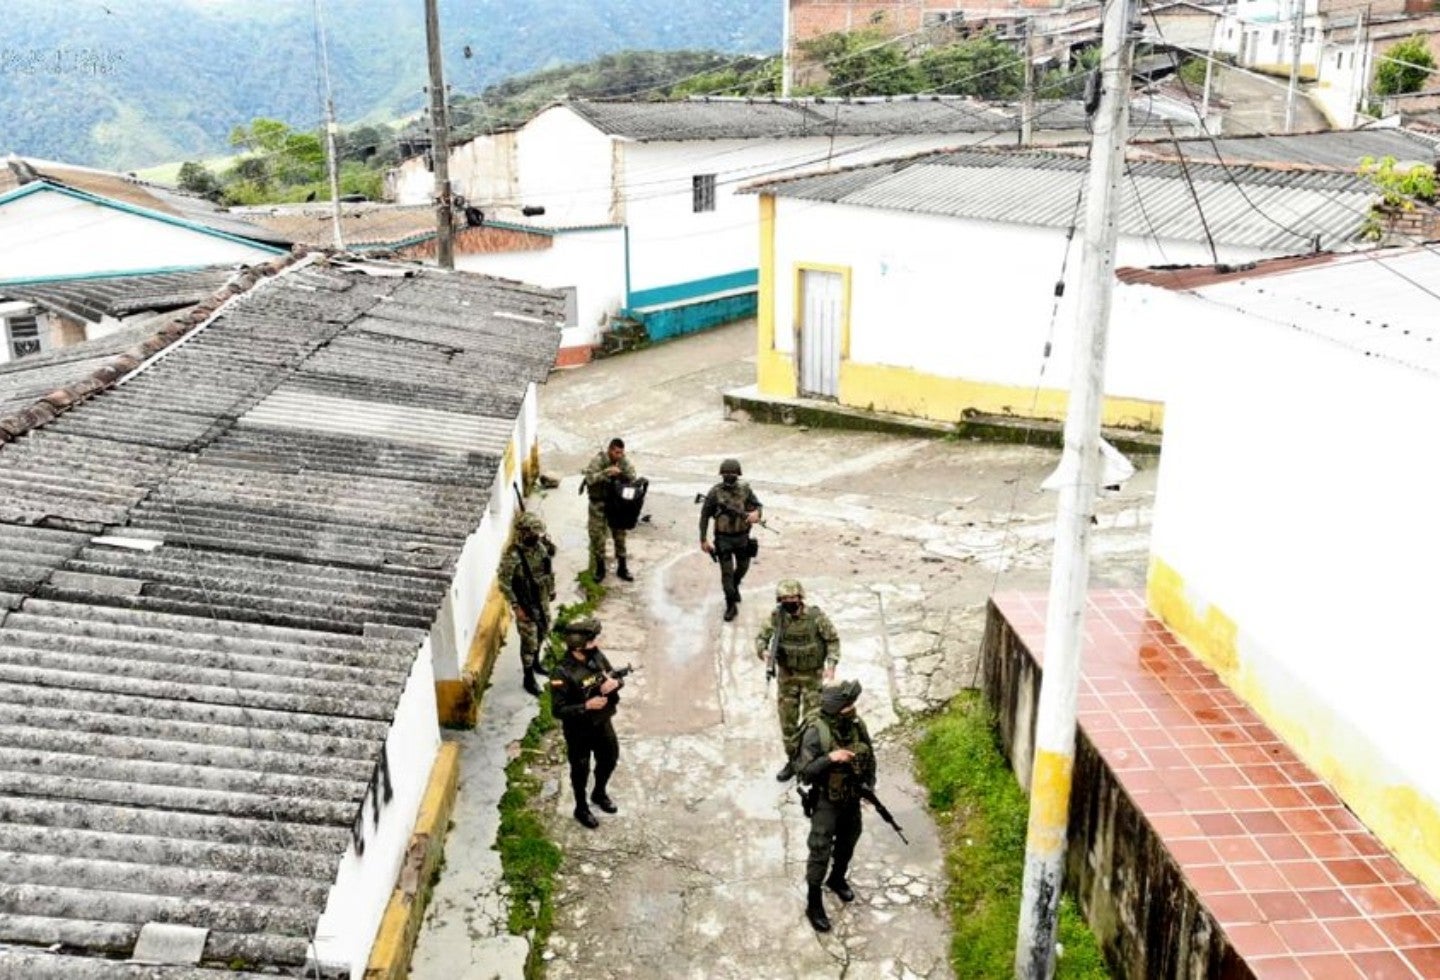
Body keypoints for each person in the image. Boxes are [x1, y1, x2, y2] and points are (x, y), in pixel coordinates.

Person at [795, 680, 875, 933]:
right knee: (820, 849)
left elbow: (870, 757)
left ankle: (837, 878)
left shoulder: (855, 725)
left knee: (849, 839)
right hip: (826, 800)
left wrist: (869, 787)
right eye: (848, 705)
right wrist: (830, 758)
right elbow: (804, 772)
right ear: (835, 708)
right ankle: (814, 901)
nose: (853, 708)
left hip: (851, 796)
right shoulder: (815, 732)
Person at [755, 579, 839, 782]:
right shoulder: (777, 617)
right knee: (788, 725)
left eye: (792, 598)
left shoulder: (815, 617)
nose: (789, 602)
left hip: (813, 677)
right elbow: (761, 637)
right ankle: (793, 761)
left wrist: (831, 666)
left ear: (800, 598)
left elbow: (832, 640)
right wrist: (764, 652)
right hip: (788, 677)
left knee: (814, 723)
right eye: (784, 599)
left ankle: (814, 762)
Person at [549, 616, 624, 829]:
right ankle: (581, 807)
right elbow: (557, 710)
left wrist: (615, 683)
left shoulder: (596, 657)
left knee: (609, 758)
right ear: (577, 645)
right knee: (580, 769)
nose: (596, 644)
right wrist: (587, 706)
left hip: (602, 722)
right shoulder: (561, 672)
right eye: (591, 641)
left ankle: (599, 793)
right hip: (578, 730)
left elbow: (614, 676)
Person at [497, 512, 556, 696]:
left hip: (542, 599)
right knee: (529, 641)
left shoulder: (539, 548)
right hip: (526, 603)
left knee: (543, 630)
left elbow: (548, 569)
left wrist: (551, 589)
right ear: (524, 532)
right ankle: (528, 677)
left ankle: (537, 663)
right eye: (533, 533)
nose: (536, 537)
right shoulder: (513, 555)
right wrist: (516, 606)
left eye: (537, 534)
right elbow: (504, 582)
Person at [698, 457, 763, 622]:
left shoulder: (745, 490)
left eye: (732, 473)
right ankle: (730, 604)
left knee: (742, 568)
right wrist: (703, 539)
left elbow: (758, 505)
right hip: (723, 539)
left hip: (742, 537)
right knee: (726, 573)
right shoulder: (715, 493)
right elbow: (704, 516)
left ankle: (734, 587)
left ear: (738, 474)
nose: (729, 475)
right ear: (721, 474)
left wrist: (756, 514)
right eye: (726, 473)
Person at [582, 437, 637, 582]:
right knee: (597, 536)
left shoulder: (623, 460)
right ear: (610, 450)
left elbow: (632, 477)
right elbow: (589, 479)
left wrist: (620, 473)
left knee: (620, 535)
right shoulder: (598, 461)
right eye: (617, 453)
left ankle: (622, 568)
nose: (620, 456)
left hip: (615, 504)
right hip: (598, 504)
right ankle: (600, 569)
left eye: (621, 453)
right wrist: (606, 472)